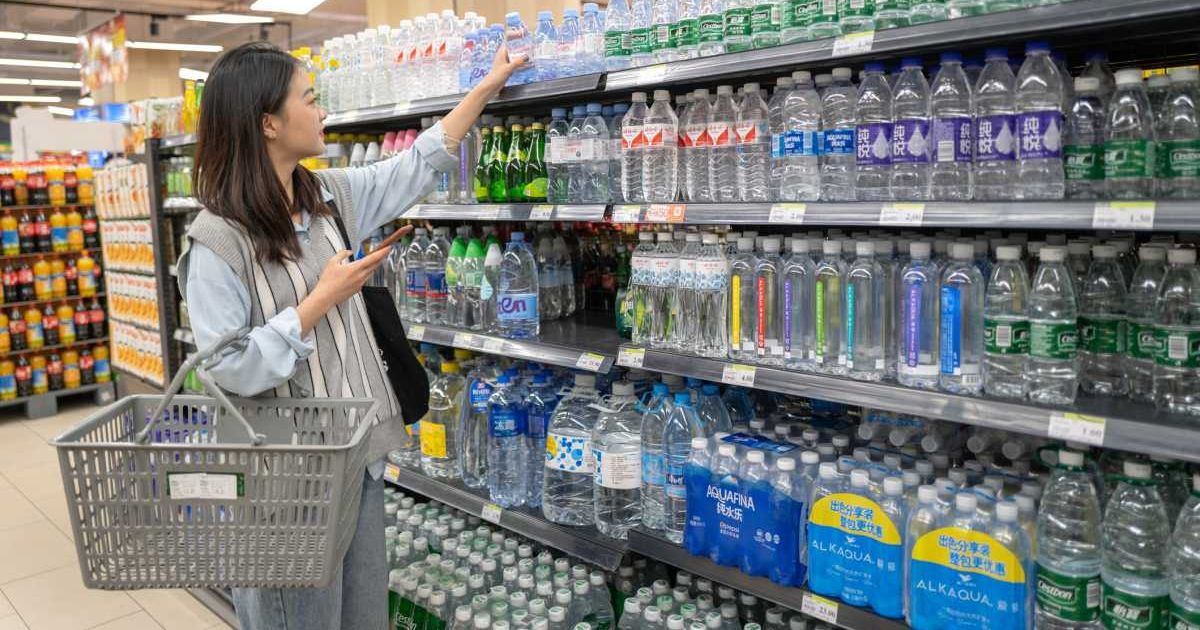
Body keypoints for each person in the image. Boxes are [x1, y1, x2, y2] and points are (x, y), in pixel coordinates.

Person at [176, 40, 525, 630]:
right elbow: (227, 368)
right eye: (308, 100)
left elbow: (417, 163)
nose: (322, 112)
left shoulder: (327, 198)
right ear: (268, 123)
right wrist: (319, 301)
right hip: (281, 488)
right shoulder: (217, 240)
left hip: (355, 456)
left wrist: (488, 88)